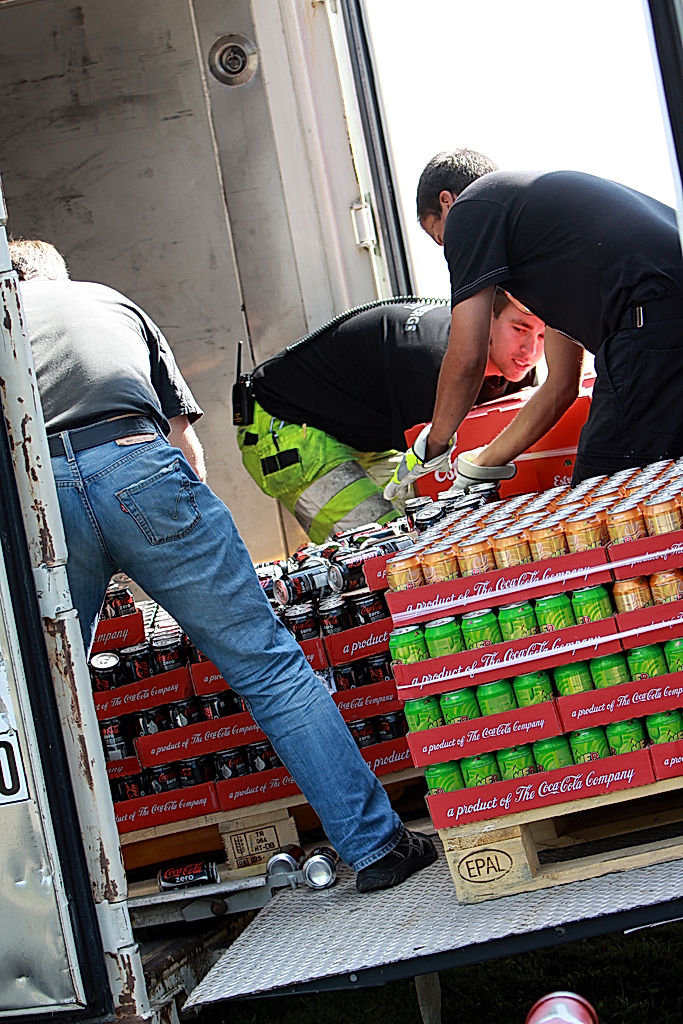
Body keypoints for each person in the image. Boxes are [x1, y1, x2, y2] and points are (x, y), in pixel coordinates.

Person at [10, 237, 436, 893]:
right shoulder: (109, 303)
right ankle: (378, 849)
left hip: (38, 491)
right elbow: (184, 445)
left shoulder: (6, 321)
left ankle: (57, 898)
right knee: (266, 664)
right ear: (60, 274)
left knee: (45, 701)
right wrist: (177, 543)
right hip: (135, 458)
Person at [385, 149, 683, 498]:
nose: (451, 252)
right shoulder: (551, 236)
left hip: (652, 321)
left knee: (603, 503)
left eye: (441, 238)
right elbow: (560, 386)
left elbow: (467, 358)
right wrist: (483, 461)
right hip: (663, 318)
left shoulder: (471, 207)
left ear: (447, 202)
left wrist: (432, 447)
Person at [239, 291, 544, 539]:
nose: (530, 351)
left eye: (543, 337)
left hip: (360, 431)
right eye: (519, 329)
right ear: (486, 317)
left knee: (422, 531)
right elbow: (445, 473)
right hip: (284, 426)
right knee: (389, 551)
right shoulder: (431, 365)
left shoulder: (515, 369)